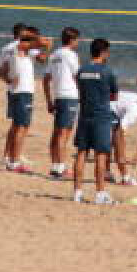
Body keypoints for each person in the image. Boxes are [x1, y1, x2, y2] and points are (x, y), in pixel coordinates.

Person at [72, 38, 119, 204]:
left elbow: (79, 88)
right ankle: (100, 193)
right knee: (101, 155)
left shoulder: (81, 70)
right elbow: (114, 95)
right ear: (104, 52)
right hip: (101, 116)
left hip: (85, 115)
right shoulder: (107, 71)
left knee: (81, 153)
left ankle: (77, 192)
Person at [0, 28, 49, 173]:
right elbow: (36, 44)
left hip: (20, 91)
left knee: (19, 126)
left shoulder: (23, 50)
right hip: (21, 92)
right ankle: (14, 161)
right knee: (21, 127)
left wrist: (46, 47)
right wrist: (41, 41)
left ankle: (11, 158)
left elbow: (42, 58)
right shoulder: (18, 47)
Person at [43, 27, 82, 178]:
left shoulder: (54, 55)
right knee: (64, 133)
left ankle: (55, 166)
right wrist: (84, 94)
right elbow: (77, 76)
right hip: (69, 96)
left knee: (58, 132)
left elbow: (46, 79)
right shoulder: (71, 55)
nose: (78, 42)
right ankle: (60, 167)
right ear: (72, 40)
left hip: (59, 96)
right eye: (77, 40)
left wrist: (49, 100)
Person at [109, 92, 137, 186]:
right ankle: (125, 178)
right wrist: (121, 155)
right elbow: (119, 133)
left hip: (119, 105)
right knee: (116, 142)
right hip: (109, 106)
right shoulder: (134, 113)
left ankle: (119, 175)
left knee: (119, 144)